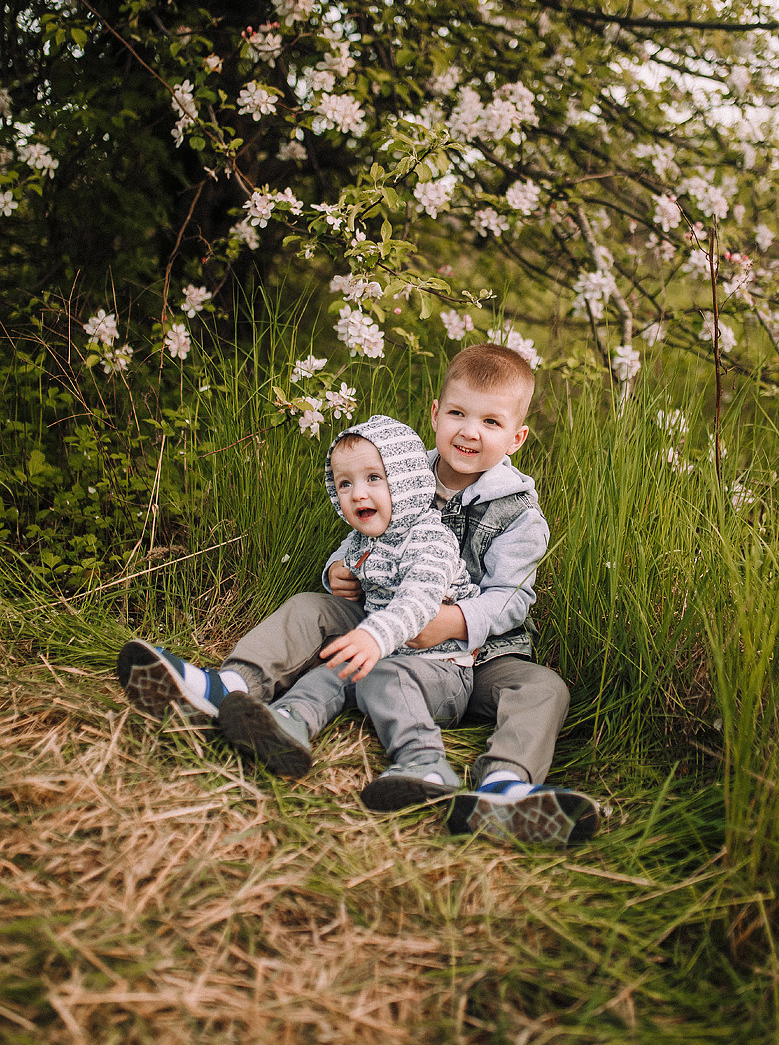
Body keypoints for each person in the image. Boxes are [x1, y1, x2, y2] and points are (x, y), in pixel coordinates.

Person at [117, 343, 599, 845]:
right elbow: (359, 528)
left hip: (476, 654)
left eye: (491, 423)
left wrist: (452, 621)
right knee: (309, 607)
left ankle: (505, 786)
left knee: (545, 688)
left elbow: (512, 597)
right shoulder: (398, 465)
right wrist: (339, 572)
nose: (470, 432)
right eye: (457, 413)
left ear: (516, 437)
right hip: (377, 615)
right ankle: (231, 688)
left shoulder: (517, 512)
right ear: (435, 415)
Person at [217, 414, 482, 807]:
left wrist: (373, 636)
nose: (358, 494)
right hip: (379, 654)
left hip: (440, 671)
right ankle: (288, 724)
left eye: (374, 478)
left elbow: (419, 602)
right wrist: (335, 573)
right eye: (345, 483)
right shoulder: (364, 538)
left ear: (406, 481)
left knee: (384, 676)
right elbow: (350, 565)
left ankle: (424, 762)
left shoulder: (431, 539)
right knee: (332, 672)